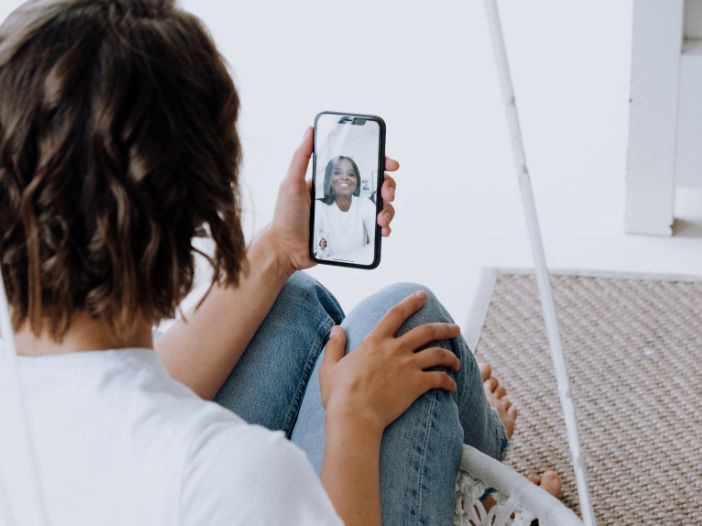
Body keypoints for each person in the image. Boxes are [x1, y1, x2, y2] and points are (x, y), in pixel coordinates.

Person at [0, 1, 561, 525]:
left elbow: (124, 399)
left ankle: (459, 459)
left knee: (290, 305)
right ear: (200, 206)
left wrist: (278, 248)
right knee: (403, 323)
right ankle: (478, 486)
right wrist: (354, 420)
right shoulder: (235, 475)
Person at [314, 156, 377, 259]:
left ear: (357, 180)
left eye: (351, 174)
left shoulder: (365, 205)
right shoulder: (319, 207)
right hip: (327, 270)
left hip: (359, 270)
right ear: (328, 179)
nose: (344, 177)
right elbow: (316, 251)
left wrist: (334, 259)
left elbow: (376, 246)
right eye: (337, 172)